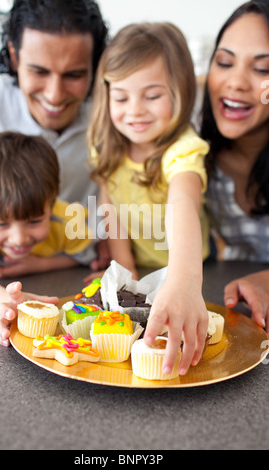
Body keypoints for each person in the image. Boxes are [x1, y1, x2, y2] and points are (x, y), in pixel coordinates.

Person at [87, 23, 211, 376]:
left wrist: (184, 280)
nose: (135, 110)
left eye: (152, 96)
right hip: (144, 271)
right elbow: (112, 211)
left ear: (180, 91)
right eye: (122, 97)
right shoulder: (107, 148)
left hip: (195, 272)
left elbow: (182, 202)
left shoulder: (183, 150)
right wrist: (125, 278)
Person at [0, 0, 110, 271]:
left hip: (73, 265)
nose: (54, 95)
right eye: (39, 71)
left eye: (74, 74)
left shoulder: (117, 111)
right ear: (14, 54)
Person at [0, 132, 95, 345]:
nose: (18, 239)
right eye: (2, 224)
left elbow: (86, 257)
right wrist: (4, 305)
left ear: (51, 205)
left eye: (35, 221)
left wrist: (40, 264)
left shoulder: (68, 221)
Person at [200, 0, 269, 334]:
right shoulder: (197, 151)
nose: (236, 82)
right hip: (239, 316)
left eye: (263, 69)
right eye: (224, 62)